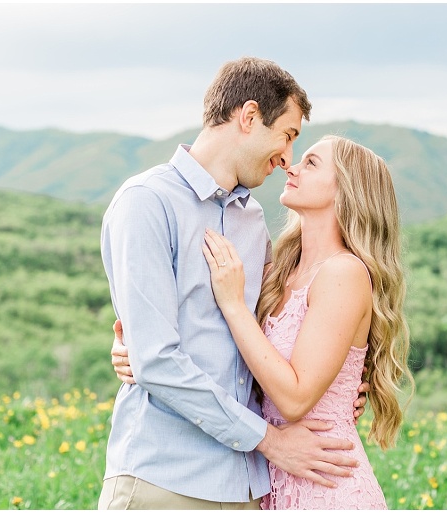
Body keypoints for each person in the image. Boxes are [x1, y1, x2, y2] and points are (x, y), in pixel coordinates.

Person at [98, 57, 368, 510]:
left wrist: (341, 389)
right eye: (287, 135)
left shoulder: (252, 221)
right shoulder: (147, 203)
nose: (287, 158)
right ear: (248, 118)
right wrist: (268, 440)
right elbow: (157, 360)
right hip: (165, 480)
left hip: (247, 488)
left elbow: (276, 333)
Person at [114, 134, 414, 509]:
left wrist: (234, 303)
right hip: (269, 480)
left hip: (324, 480)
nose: (292, 165)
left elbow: (294, 398)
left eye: (312, 163)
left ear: (347, 191)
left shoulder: (344, 273)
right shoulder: (279, 270)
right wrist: (136, 349)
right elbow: (231, 348)